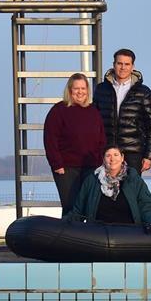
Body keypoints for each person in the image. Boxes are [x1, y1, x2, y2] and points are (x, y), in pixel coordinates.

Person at [44, 73, 106, 215]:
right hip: (66, 168)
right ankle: (66, 236)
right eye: (76, 88)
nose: (80, 92)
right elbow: (50, 139)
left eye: (83, 88)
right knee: (70, 206)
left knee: (89, 206)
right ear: (70, 90)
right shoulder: (58, 110)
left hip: (91, 167)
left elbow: (101, 139)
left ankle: (88, 236)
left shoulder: (93, 111)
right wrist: (57, 164)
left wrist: (100, 162)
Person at [93, 48, 151, 175]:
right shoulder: (101, 89)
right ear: (114, 65)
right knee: (106, 190)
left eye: (127, 64)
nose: (123, 67)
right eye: (119, 63)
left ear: (132, 67)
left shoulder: (143, 92)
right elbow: (94, 123)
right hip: (108, 151)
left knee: (130, 192)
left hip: (133, 152)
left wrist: (149, 156)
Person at [63, 145, 151, 225]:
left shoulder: (133, 179)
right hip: (97, 232)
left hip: (129, 232)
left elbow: (146, 206)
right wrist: (62, 224)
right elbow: (78, 210)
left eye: (116, 155)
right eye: (108, 155)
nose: (112, 159)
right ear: (103, 159)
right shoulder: (92, 180)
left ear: (122, 158)